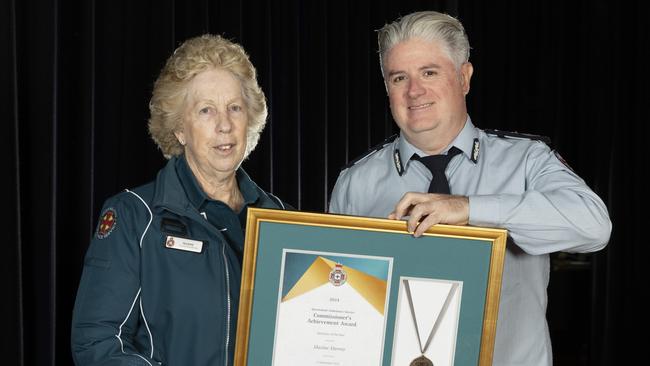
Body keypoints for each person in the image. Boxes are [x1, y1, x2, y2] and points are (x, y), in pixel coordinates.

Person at [329, 11, 611, 366]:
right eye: (399, 78)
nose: (415, 91)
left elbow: (595, 226)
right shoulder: (355, 184)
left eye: (429, 72)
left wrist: (470, 208)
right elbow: (342, 301)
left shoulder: (526, 161)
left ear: (464, 77)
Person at [71, 34, 288, 365]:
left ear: (251, 118)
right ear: (179, 129)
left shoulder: (281, 218)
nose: (225, 125)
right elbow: (98, 343)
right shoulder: (135, 217)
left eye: (234, 108)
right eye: (206, 110)